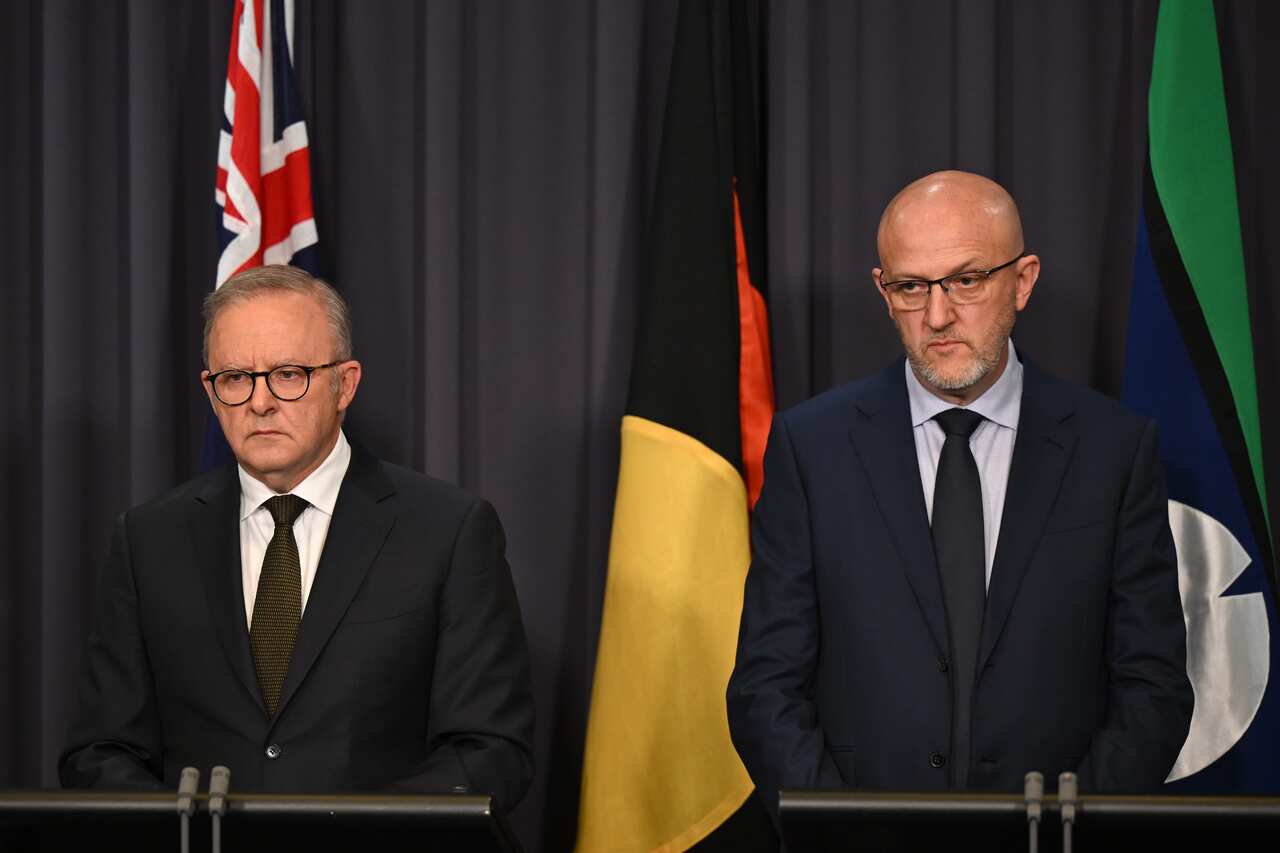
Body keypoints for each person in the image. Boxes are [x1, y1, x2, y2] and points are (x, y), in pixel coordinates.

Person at [726, 171, 1192, 817]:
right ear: (883, 292)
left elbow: (1153, 684)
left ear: (1022, 280)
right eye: (911, 286)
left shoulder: (1113, 448)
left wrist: (1069, 830)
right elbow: (765, 684)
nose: (938, 315)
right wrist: (845, 832)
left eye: (967, 280)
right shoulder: (813, 446)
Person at [61, 265, 535, 812]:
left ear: (345, 384)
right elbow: (100, 752)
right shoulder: (148, 540)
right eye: (236, 377)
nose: (260, 402)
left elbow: (489, 751)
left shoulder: (447, 531)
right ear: (211, 393)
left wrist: (341, 837)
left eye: (288, 373)